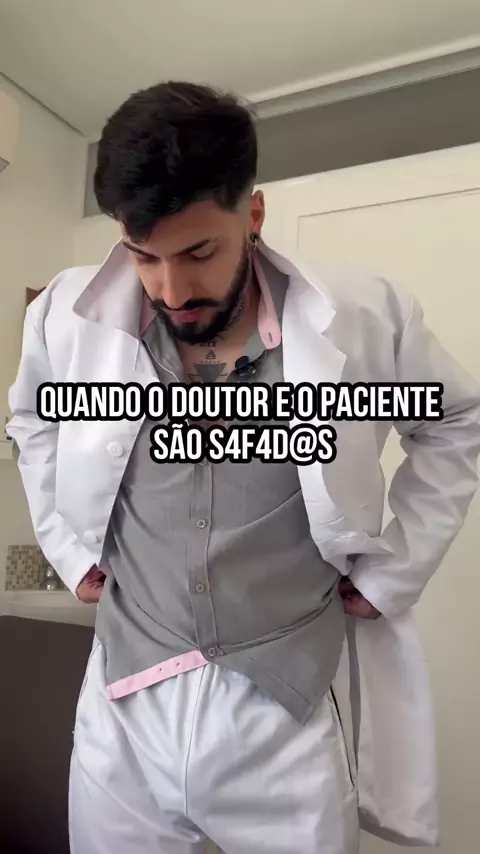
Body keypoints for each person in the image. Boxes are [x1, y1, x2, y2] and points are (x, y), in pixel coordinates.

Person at [7, 81, 480, 854]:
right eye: (143, 257)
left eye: (199, 253)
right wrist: (66, 544)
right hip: (125, 712)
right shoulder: (63, 314)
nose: (172, 290)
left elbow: (457, 419)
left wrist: (396, 569)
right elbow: (30, 419)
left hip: (285, 715)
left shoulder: (365, 313)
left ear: (252, 215)